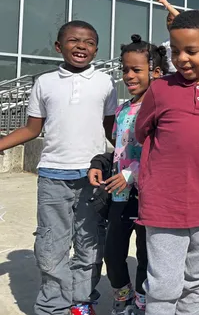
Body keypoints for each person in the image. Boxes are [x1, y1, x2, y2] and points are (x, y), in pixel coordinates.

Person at [0, 20, 117, 315]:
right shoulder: (45, 83)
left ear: (96, 50)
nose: (81, 46)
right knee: (51, 246)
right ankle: (53, 306)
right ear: (58, 46)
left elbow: (112, 130)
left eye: (89, 42)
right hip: (53, 176)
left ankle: (81, 302)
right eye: (74, 40)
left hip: (94, 177)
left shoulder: (105, 83)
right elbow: (31, 129)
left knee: (90, 244)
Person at [135, 10, 199, 315]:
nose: (182, 59)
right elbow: (142, 132)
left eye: (191, 51)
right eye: (175, 51)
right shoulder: (159, 89)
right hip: (163, 206)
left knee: (197, 281)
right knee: (164, 285)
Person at [93, 35, 168, 315]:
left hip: (149, 195)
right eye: (125, 69)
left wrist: (131, 173)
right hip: (119, 195)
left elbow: (159, 151)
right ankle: (122, 298)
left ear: (156, 72)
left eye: (136, 69)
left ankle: (141, 302)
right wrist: (99, 163)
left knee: (147, 255)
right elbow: (120, 150)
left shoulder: (161, 110)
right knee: (113, 253)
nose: (129, 75)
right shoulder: (122, 109)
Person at [156, 0, 180, 74]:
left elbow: (181, 18)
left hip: (182, 75)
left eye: (174, 20)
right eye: (169, 20)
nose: (170, 23)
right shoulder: (165, 43)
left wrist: (165, 3)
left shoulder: (187, 39)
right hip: (168, 75)